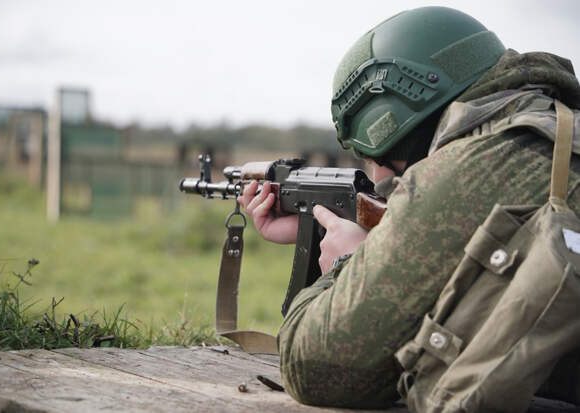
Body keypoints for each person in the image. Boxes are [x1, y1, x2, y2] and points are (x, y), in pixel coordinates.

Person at [238, 6, 580, 409]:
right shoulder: (553, 134)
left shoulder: (469, 168)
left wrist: (349, 260)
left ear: (395, 123)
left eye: (372, 154)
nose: (376, 173)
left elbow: (316, 365)